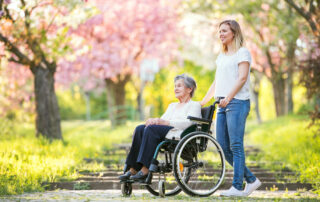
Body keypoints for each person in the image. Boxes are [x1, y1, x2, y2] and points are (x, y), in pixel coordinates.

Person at [200, 20, 261, 197]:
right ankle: (251, 180)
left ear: (234, 32)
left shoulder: (243, 53)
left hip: (238, 102)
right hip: (222, 104)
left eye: (224, 31)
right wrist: (203, 101)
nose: (221, 34)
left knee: (235, 145)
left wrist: (228, 97)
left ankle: (237, 186)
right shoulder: (221, 56)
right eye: (219, 31)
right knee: (223, 146)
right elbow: (217, 81)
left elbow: (242, 78)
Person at [119, 74, 201, 182]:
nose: (175, 88)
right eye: (175, 86)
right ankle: (133, 168)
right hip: (167, 132)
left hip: (180, 133)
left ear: (189, 89)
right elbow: (162, 120)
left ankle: (145, 169)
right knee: (140, 128)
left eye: (179, 86)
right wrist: (153, 120)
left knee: (151, 130)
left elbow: (189, 123)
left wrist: (166, 122)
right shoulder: (172, 105)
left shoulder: (194, 105)